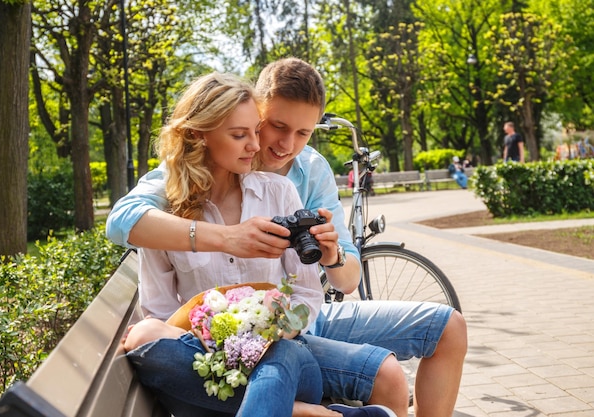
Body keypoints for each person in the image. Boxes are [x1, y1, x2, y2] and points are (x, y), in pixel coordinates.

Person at [108, 58, 467, 417]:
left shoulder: (302, 176)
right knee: (149, 335)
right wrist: (227, 238)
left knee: (444, 329)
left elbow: (334, 285)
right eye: (273, 127)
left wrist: (331, 256)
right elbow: (125, 224)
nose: (285, 145)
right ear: (255, 112)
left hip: (296, 323)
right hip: (219, 338)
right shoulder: (172, 193)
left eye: (304, 133)